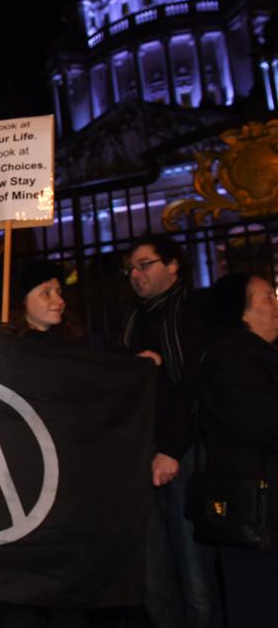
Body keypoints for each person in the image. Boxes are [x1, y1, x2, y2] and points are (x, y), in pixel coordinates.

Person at [120, 235, 220, 628]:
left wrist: (173, 451)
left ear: (174, 265)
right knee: (155, 571)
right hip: (143, 452)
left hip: (184, 453)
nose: (135, 274)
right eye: (131, 267)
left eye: (145, 264)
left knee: (194, 572)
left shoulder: (193, 313)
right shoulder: (132, 319)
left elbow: (196, 389)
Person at [198, 273, 278, 628]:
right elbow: (261, 422)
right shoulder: (232, 355)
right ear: (241, 312)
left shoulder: (260, 354)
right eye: (266, 298)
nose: (275, 305)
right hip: (256, 514)